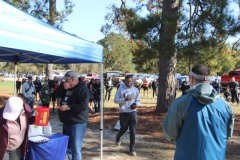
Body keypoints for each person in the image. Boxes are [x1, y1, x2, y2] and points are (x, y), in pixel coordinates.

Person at [162, 65, 235, 160]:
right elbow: (228, 134)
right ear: (208, 80)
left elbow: (170, 133)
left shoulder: (181, 103)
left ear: (191, 79)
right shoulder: (225, 106)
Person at [57, 71, 89, 160]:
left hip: (77, 123)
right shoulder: (69, 88)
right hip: (67, 121)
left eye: (66, 81)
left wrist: (68, 107)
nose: (65, 82)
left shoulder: (82, 89)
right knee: (68, 147)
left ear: (73, 79)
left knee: (75, 148)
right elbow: (57, 93)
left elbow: (83, 105)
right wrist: (64, 88)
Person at [0, 96, 35, 160]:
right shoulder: (1, 117)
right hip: (3, 149)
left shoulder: (26, 113)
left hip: (17, 148)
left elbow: (28, 121)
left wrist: (37, 119)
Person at [114, 75, 140, 156]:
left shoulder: (135, 89)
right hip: (124, 112)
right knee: (124, 128)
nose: (129, 83)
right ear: (125, 81)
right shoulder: (120, 89)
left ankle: (132, 149)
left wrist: (136, 105)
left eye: (131, 81)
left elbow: (138, 100)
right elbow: (115, 100)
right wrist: (124, 99)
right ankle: (118, 137)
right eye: (128, 81)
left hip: (133, 112)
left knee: (133, 131)